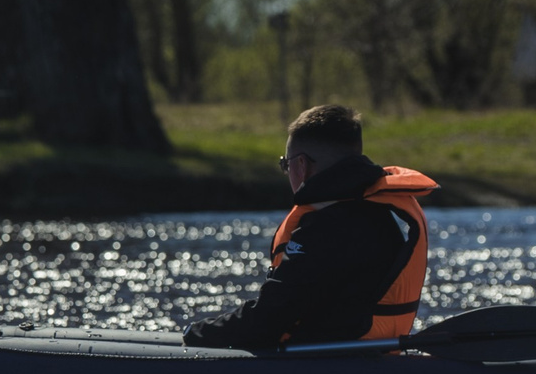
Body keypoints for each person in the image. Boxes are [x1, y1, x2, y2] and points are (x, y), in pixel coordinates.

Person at [183, 103, 438, 350]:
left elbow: (267, 320)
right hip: (366, 354)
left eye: (286, 164)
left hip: (328, 366)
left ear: (301, 166)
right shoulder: (378, 215)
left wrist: (195, 333)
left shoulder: (325, 229)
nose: (287, 172)